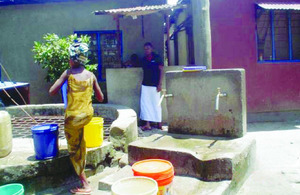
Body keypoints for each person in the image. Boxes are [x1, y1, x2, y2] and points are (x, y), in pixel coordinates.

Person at [49, 40, 104, 194]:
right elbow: (100, 97)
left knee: (74, 149)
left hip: (73, 118)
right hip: (87, 115)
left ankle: (85, 184)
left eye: (69, 58)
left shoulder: (68, 73)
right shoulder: (91, 75)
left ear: (73, 60)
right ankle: (83, 170)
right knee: (81, 141)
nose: (68, 61)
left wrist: (65, 80)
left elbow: (52, 91)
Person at [140, 42, 164, 130]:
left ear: (152, 49)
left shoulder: (157, 58)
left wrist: (160, 84)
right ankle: (147, 124)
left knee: (156, 104)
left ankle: (159, 124)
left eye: (148, 48)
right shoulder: (144, 59)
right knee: (146, 104)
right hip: (145, 84)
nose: (146, 50)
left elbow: (161, 71)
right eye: (145, 49)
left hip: (155, 85)